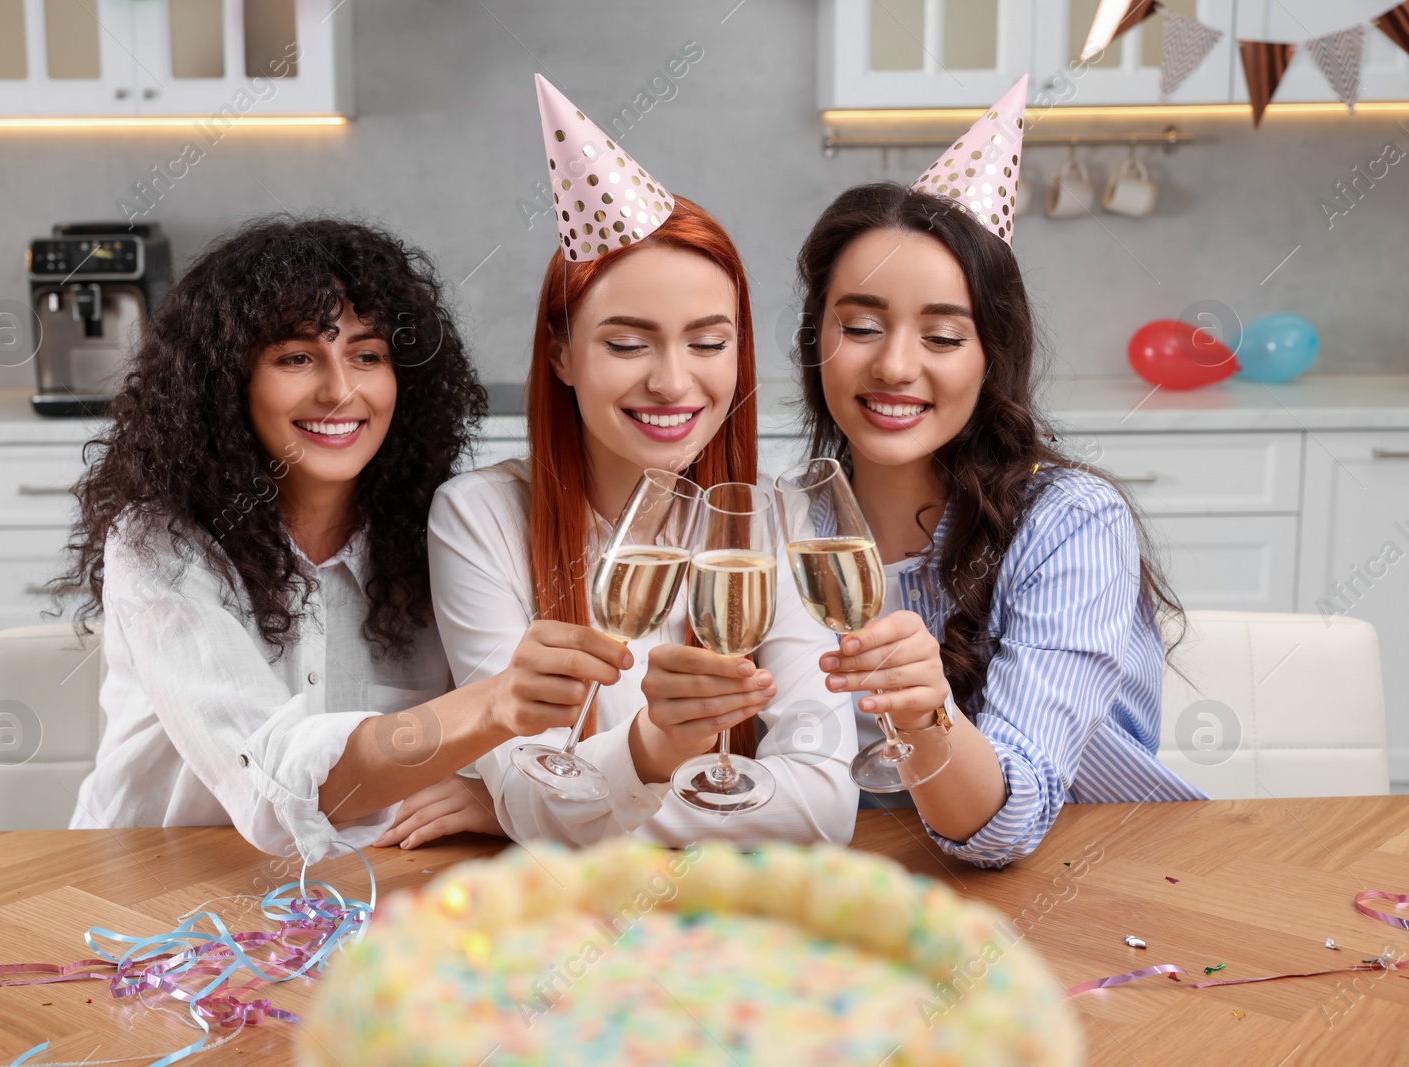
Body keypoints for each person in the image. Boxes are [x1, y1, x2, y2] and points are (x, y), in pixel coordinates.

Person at [376, 77, 857, 850]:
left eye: (708, 342)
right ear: (562, 352)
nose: (672, 381)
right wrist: (644, 755)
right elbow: (537, 798)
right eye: (628, 343)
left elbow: (825, 808)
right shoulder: (479, 519)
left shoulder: (780, 520)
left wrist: (524, 811)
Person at [57, 217, 619, 864]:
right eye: (296, 357)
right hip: (148, 886)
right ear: (225, 379)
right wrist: (494, 705)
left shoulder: (448, 532)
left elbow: (517, 760)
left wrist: (498, 800)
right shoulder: (161, 547)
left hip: (367, 884)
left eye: (367, 355)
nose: (340, 390)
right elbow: (273, 785)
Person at [794, 77, 1206, 870]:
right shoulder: (785, 525)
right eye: (862, 325)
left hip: (1104, 881)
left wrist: (925, 714)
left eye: (944, 336)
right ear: (817, 341)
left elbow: (1006, 827)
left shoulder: (1070, 522)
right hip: (881, 886)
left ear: (991, 359)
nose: (895, 364)